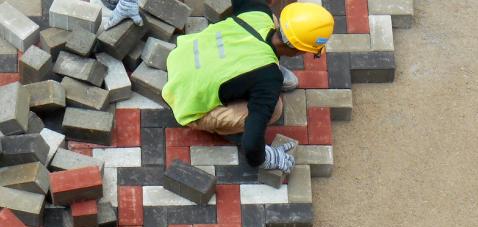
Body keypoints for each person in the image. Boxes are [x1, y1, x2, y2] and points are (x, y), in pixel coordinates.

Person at [107, 0, 335, 173]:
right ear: (298, 50)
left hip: (181, 58)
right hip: (186, 101)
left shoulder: (259, 10)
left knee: (268, 30)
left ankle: (263, 58)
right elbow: (253, 139)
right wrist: (263, 157)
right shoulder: (268, 81)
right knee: (274, 109)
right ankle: (220, 127)